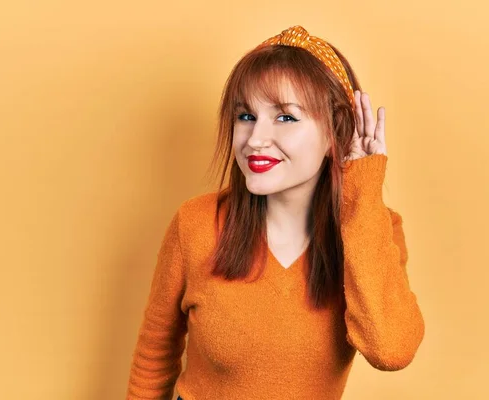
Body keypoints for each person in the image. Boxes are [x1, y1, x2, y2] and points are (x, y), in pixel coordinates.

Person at [126, 25, 425, 400]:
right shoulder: (195, 224)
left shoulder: (375, 229)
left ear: (336, 131)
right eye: (246, 116)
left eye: (285, 117)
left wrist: (361, 189)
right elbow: (155, 352)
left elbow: (392, 349)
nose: (255, 140)